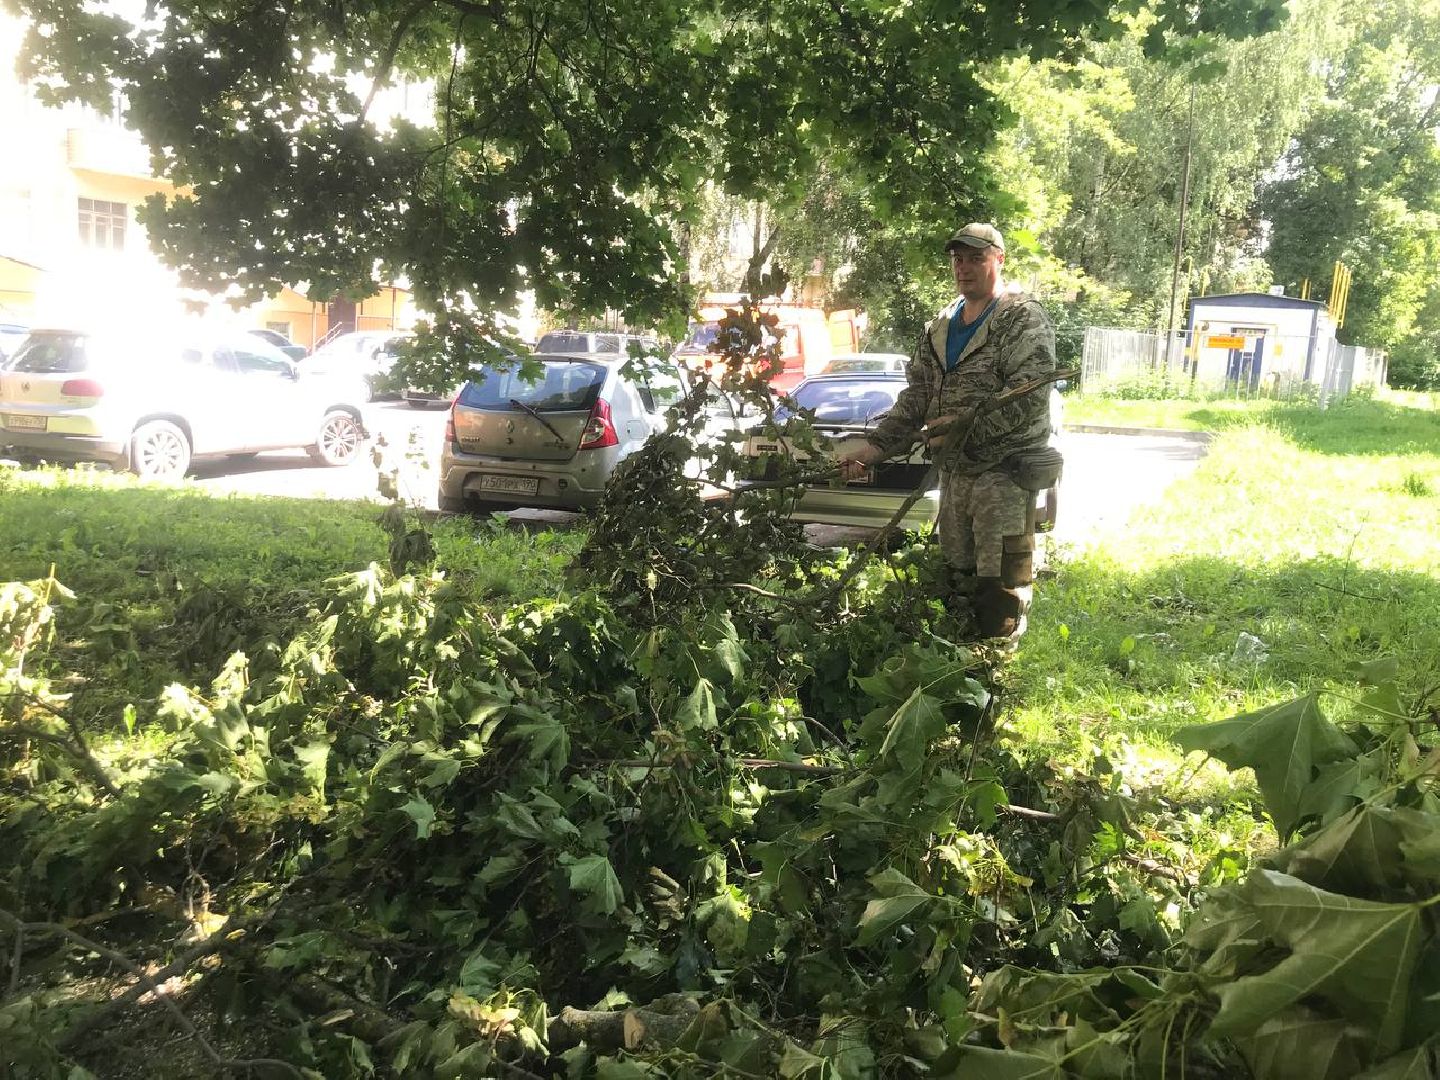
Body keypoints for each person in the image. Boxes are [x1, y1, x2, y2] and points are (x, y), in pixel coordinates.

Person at [837, 222, 1057, 639]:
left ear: (999, 259)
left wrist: (961, 429)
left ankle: (994, 676)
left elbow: (1028, 396)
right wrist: (874, 447)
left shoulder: (1021, 318)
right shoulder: (941, 326)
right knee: (956, 576)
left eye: (976, 257)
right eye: (958, 258)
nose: (964, 267)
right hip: (955, 476)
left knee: (1002, 585)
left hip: (1004, 477)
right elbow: (916, 396)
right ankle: (956, 669)